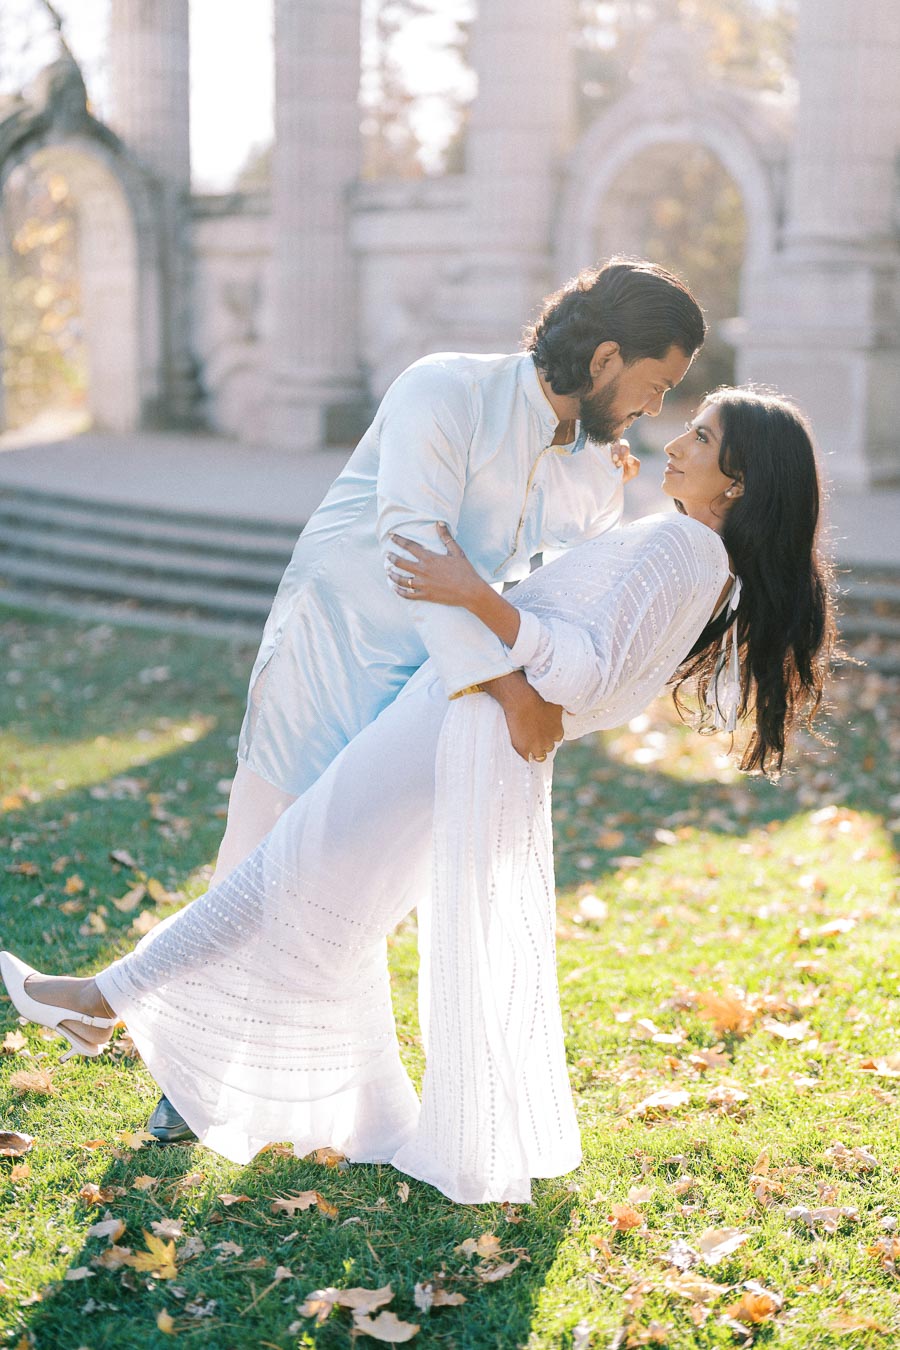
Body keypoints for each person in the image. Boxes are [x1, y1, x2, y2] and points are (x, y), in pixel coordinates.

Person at [1, 387, 835, 1204]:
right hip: (463, 722)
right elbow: (582, 623)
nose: (676, 441)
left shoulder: (685, 554)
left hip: (456, 722)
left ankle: (95, 1001)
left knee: (289, 869)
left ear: (739, 481)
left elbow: (580, 671)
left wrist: (466, 589)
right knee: (334, 904)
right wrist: (596, 509)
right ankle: (357, 1104)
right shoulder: (693, 554)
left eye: (699, 434)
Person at [149, 256, 706, 1141]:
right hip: (336, 644)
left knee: (350, 863)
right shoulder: (441, 390)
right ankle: (189, 1072)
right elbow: (417, 553)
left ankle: (317, 1073)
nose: (654, 404)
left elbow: (562, 571)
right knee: (263, 846)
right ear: (604, 358)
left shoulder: (589, 456)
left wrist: (611, 482)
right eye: (654, 382)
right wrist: (512, 691)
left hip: (434, 686)